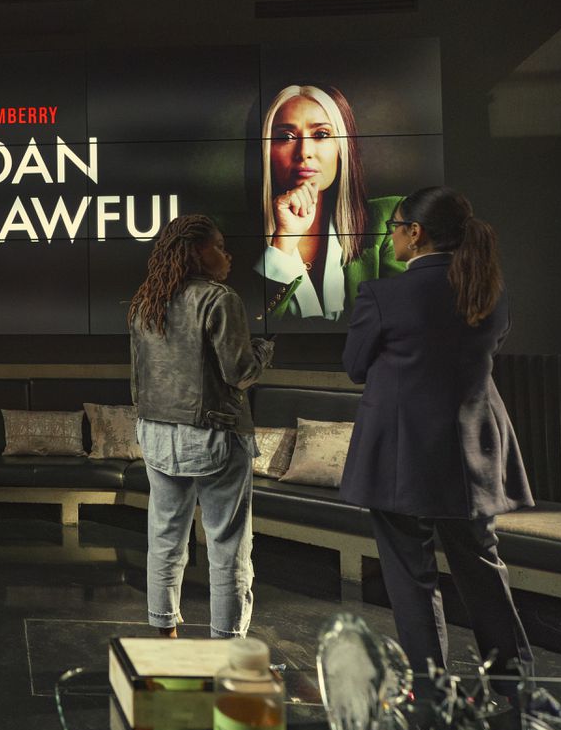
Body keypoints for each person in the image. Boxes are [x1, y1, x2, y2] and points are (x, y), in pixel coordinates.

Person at [340, 186, 534, 678]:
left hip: (402, 459)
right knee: (482, 566)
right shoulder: (489, 293)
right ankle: (516, 683)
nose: (391, 236)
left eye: (394, 227)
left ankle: (431, 692)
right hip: (472, 456)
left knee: (412, 577)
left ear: (414, 233)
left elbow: (355, 366)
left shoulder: (384, 294)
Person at [129, 214, 274, 638]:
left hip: (155, 432)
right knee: (228, 545)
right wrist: (262, 352)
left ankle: (165, 634)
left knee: (165, 536)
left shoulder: (144, 301)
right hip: (214, 434)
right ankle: (225, 645)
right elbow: (239, 373)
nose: (226, 255)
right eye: (220, 246)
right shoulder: (219, 299)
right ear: (196, 251)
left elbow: (138, 377)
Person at [254, 84, 404, 322]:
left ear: (342, 147)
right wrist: (282, 242)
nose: (304, 152)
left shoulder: (390, 217)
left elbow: (406, 322)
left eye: (321, 135)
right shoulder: (227, 239)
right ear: (266, 149)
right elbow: (247, 327)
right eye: (286, 137)